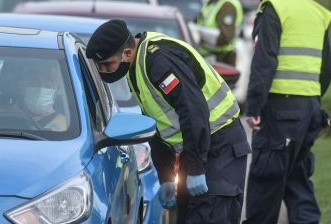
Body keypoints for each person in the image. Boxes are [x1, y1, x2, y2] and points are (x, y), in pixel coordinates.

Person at [86, 19, 251, 224]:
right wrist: (165, 175)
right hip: (196, 149)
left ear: (126, 53)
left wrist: (197, 168)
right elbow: (157, 124)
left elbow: (193, 111)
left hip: (221, 146)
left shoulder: (159, 60)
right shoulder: (136, 68)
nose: (104, 71)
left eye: (107, 64)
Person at [243, 0, 331, 224]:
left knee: (265, 181)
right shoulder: (315, 9)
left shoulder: (272, 7)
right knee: (298, 181)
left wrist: (254, 108)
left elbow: (265, 61)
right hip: (309, 110)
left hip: (279, 112)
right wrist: (312, 98)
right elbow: (326, 66)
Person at [0, 63, 66, 131]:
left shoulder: (67, 125)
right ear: (22, 87)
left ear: (57, 90)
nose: (41, 89)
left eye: (48, 84)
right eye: (35, 82)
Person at [192, 0, 243, 66]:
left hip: (222, 60)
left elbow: (226, 37)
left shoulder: (227, 4)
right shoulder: (211, 0)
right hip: (211, 58)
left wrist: (199, 36)